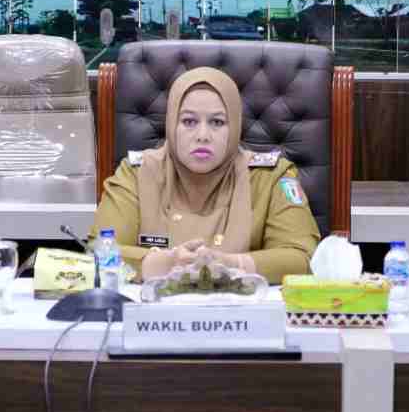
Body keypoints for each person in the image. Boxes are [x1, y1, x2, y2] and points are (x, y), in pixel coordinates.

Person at [90, 67, 319, 284]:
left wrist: (232, 265)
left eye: (217, 122)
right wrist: (166, 264)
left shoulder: (270, 177)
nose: (202, 135)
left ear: (235, 127)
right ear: (171, 124)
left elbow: (302, 257)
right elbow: (98, 252)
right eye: (189, 121)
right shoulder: (136, 173)